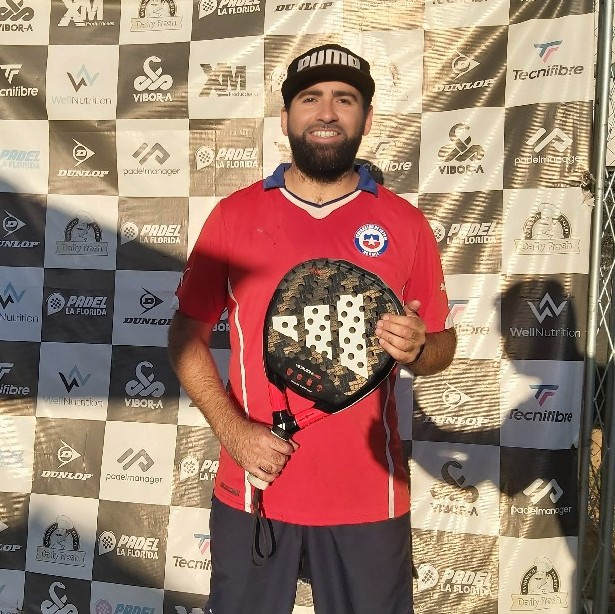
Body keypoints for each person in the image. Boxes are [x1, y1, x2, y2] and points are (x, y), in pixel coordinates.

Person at [168, 43, 456, 614]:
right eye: (310, 99)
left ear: (366, 119)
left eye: (344, 99)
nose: (326, 112)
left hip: (368, 498)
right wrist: (233, 430)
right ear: (285, 118)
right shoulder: (234, 216)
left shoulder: (405, 223)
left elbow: (441, 346)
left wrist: (420, 346)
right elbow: (184, 339)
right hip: (255, 490)